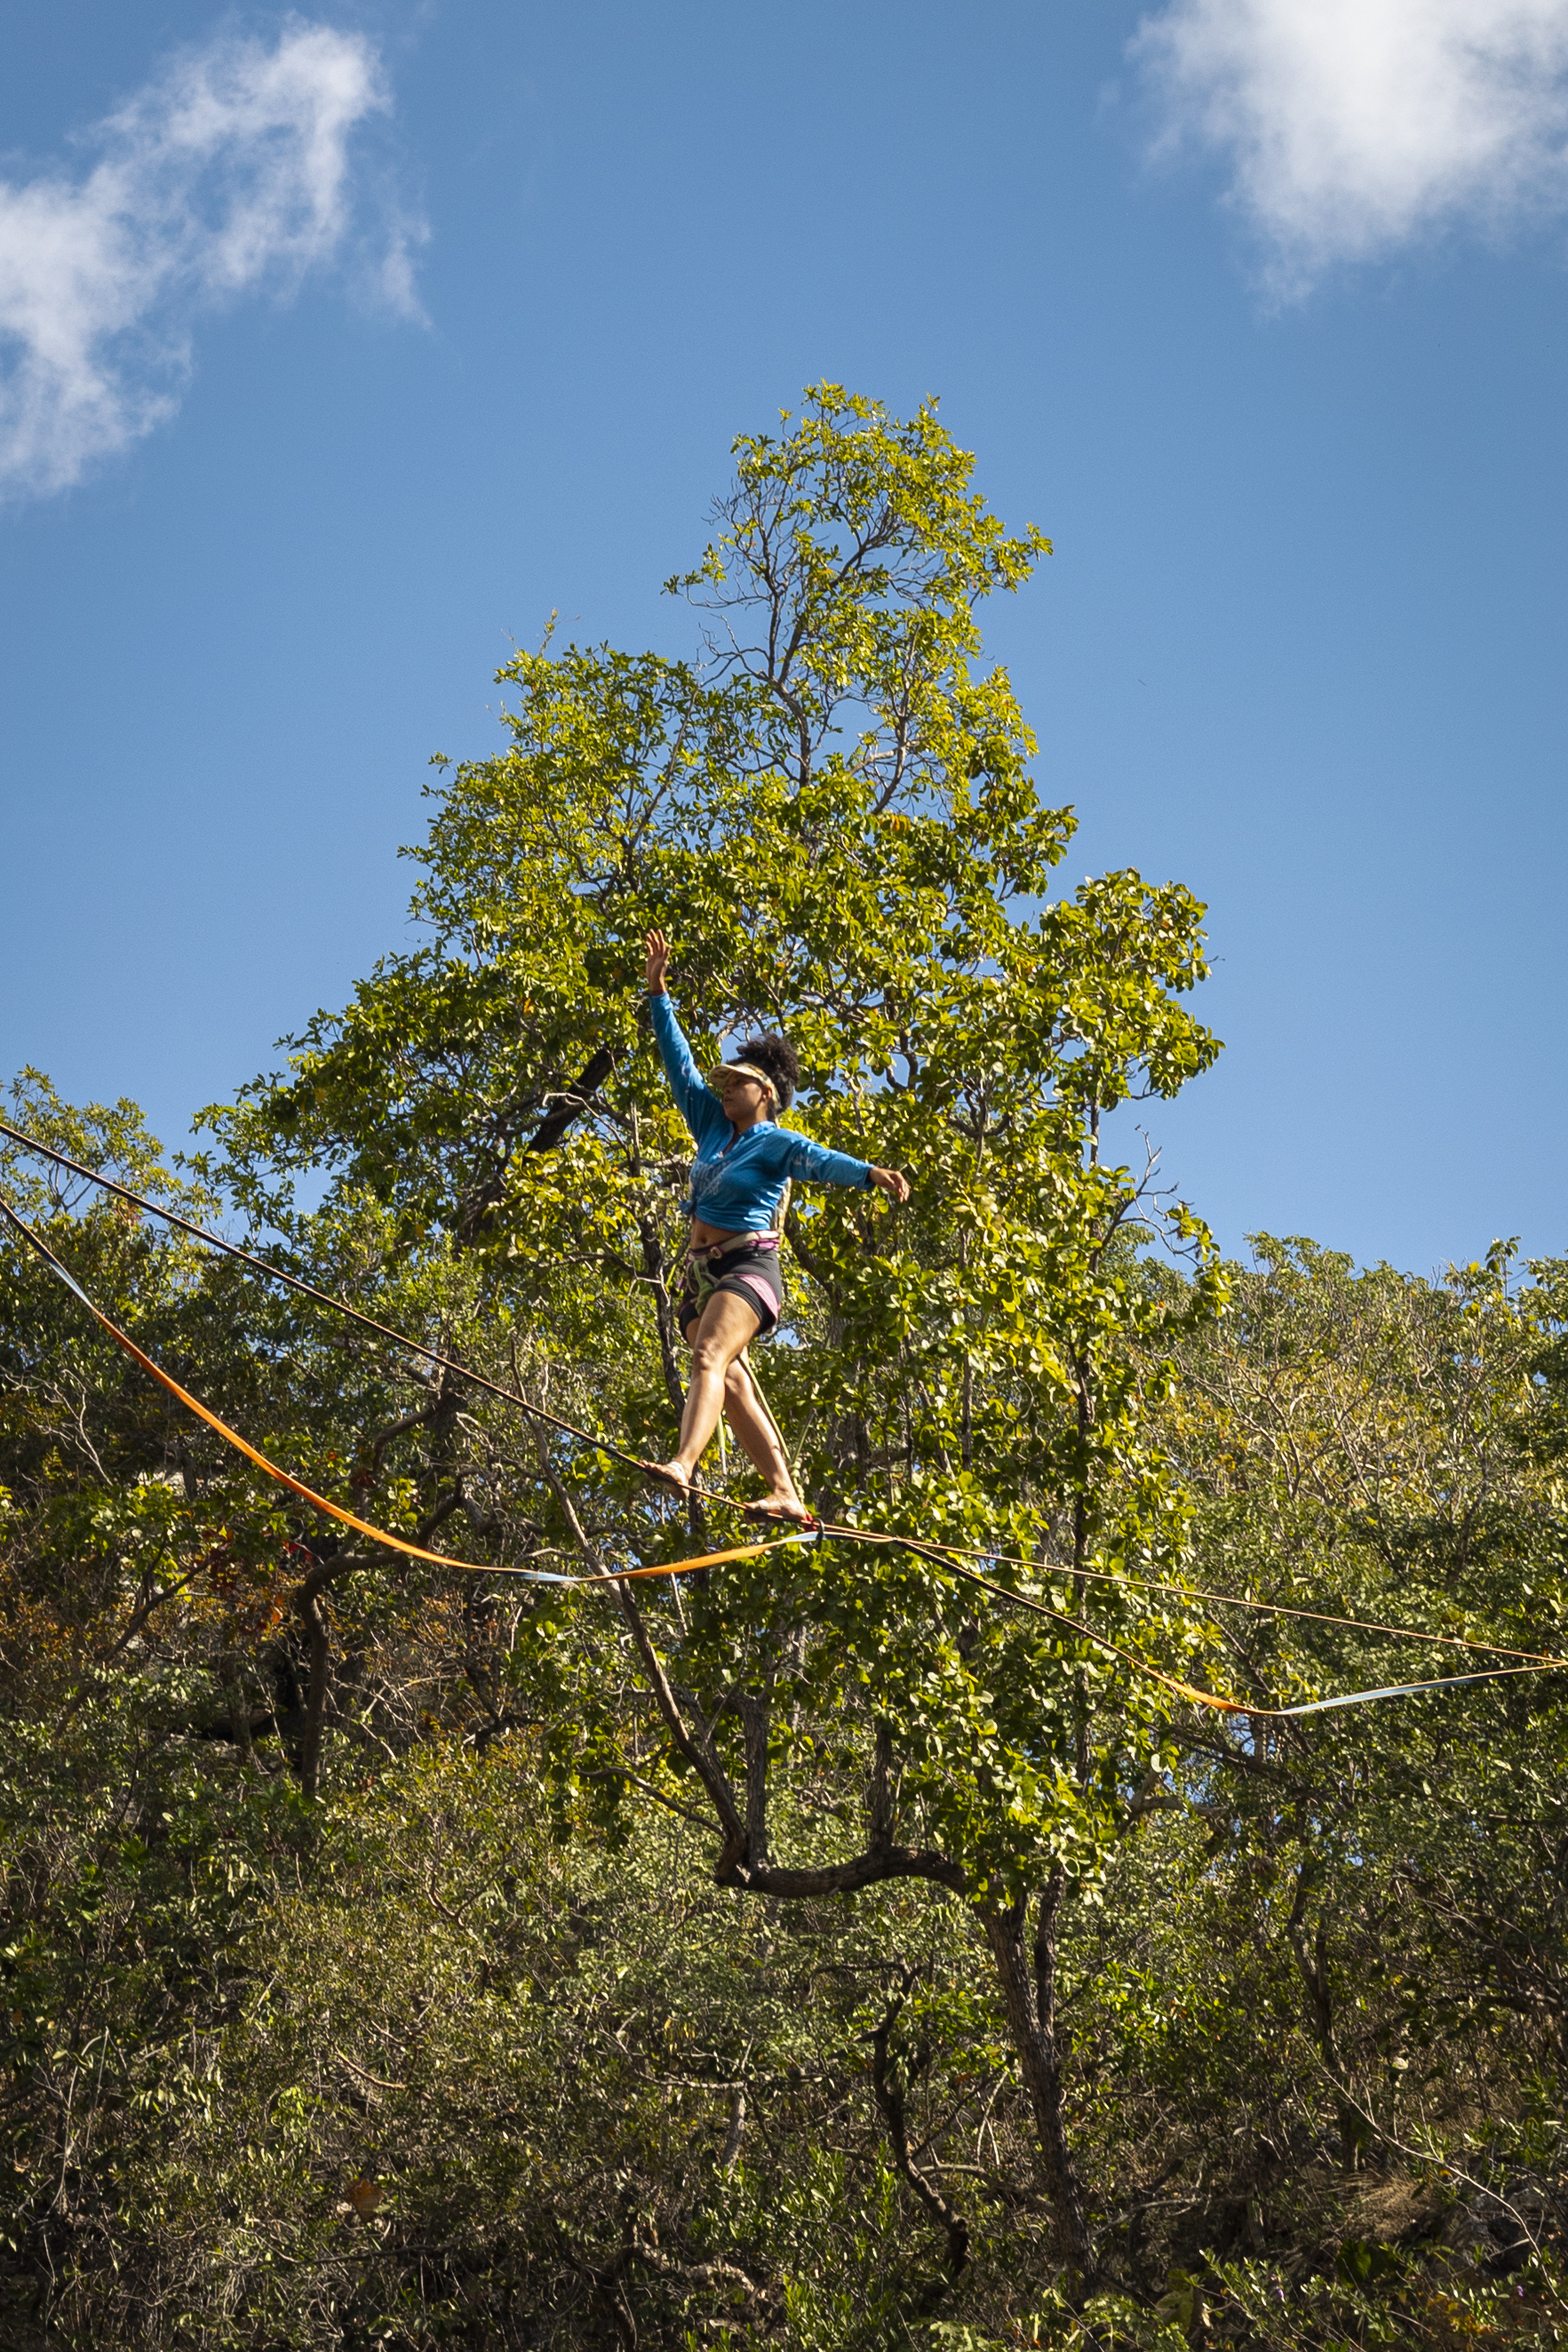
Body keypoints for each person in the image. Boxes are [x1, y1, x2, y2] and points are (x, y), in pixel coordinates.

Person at [644, 928, 911, 1520]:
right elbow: (679, 1065)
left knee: (709, 1356)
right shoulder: (712, 1128)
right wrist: (658, 993)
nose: (724, 1089)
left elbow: (819, 1161)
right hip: (698, 1276)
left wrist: (869, 1173)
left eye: (735, 1081)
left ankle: (683, 1464)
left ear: (764, 1092)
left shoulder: (773, 1141)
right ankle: (785, 1492)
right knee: (730, 1380)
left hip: (747, 1267)